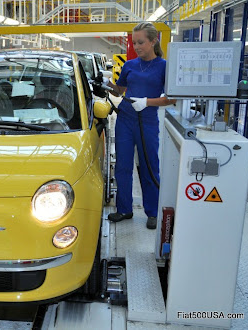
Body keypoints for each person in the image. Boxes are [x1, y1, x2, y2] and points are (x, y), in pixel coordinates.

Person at [105, 22, 176, 229]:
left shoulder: (164, 67)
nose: (137, 46)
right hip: (125, 120)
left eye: (141, 42)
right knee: (123, 167)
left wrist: (147, 102)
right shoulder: (129, 65)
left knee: (149, 166)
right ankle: (124, 209)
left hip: (147, 122)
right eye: (134, 42)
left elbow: (172, 99)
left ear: (153, 41)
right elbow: (120, 90)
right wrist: (107, 84)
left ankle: (152, 212)